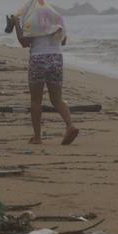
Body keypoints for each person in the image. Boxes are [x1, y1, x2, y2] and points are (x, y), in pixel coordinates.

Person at [11, 14, 78, 145]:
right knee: (57, 99)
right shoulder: (57, 19)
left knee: (36, 100)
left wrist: (16, 24)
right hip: (56, 58)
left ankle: (37, 137)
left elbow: (24, 42)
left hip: (38, 59)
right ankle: (70, 125)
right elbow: (63, 41)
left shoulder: (31, 20)